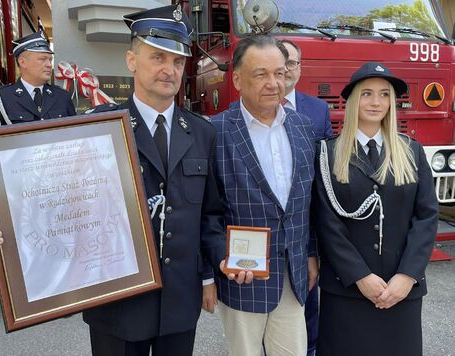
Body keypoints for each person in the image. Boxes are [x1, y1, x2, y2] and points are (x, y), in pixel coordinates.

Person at [81, 5, 253, 356]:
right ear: (131, 60)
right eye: (157, 57)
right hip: (118, 303)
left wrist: (223, 257)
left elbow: (210, 214)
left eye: (177, 62)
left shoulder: (202, 133)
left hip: (178, 304)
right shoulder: (98, 128)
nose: (169, 70)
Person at [313, 62, 438, 356]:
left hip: (401, 292)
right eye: (367, 93)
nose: (376, 102)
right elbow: (326, 222)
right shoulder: (327, 153)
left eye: (384, 95)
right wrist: (360, 276)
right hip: (347, 291)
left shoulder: (411, 151)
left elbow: (427, 216)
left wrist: (407, 276)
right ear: (354, 99)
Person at [211, 35, 316, 356]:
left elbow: (309, 203)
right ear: (238, 79)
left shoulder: (303, 127)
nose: (274, 83)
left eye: (280, 73)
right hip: (242, 276)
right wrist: (219, 259)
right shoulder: (215, 132)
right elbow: (207, 210)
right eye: (261, 74)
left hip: (294, 273)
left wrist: (311, 252)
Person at [281, 39, 332, 356]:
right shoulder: (239, 112)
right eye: (281, 60)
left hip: (305, 229)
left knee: (308, 308)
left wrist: (315, 245)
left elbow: (323, 177)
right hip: (262, 233)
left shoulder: (318, 110)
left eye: (293, 62)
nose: (286, 68)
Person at [0, 31, 75, 127]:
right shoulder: (1, 97)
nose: (49, 65)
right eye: (42, 59)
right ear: (22, 62)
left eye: (50, 60)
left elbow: (75, 135)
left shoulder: (62, 97)